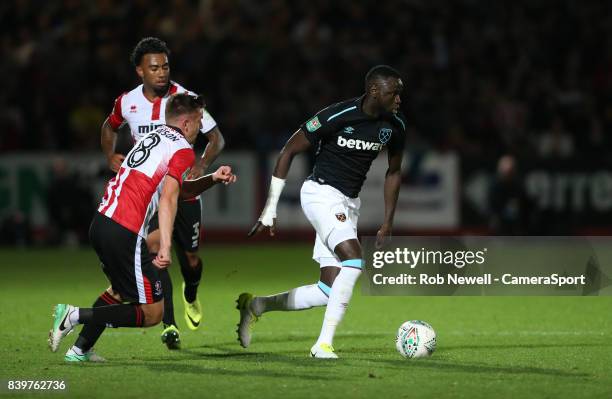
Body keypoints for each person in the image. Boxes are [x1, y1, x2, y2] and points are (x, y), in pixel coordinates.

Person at [49, 93, 237, 362]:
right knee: (152, 314)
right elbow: (169, 197)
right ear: (186, 124)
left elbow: (178, 190)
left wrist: (213, 179)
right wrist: (165, 245)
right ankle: (74, 315)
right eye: (198, 121)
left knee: (117, 291)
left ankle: (80, 350)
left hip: (102, 224)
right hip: (125, 231)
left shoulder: (153, 138)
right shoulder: (182, 148)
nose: (199, 128)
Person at [240, 65, 407, 359]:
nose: (398, 100)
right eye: (394, 93)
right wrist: (270, 207)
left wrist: (388, 222)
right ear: (374, 91)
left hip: (348, 203)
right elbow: (288, 151)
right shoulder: (337, 115)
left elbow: (394, 172)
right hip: (320, 193)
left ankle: (257, 306)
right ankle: (323, 344)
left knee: (327, 290)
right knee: (354, 260)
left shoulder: (394, 127)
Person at [100, 37, 226, 349]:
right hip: (150, 196)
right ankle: (168, 324)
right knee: (156, 251)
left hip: (184, 191)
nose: (161, 72)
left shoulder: (186, 99)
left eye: (165, 66)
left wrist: (201, 164)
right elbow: (108, 127)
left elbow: (216, 139)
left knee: (192, 258)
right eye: (154, 67)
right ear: (140, 71)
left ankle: (191, 292)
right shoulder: (126, 102)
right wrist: (110, 155)